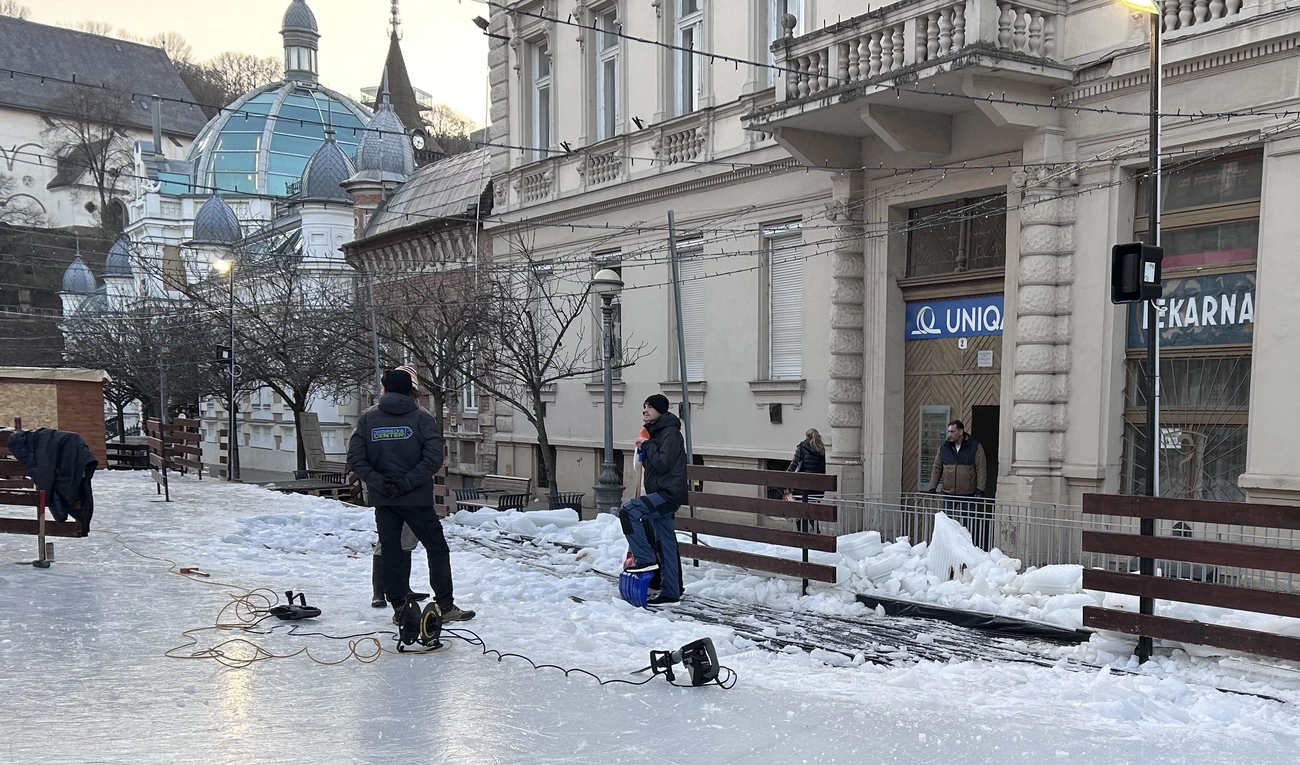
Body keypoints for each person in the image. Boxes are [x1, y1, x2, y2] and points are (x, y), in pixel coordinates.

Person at [348, 368, 474, 623]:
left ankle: (399, 608)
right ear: (411, 390)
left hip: (384, 499)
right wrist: (406, 483)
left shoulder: (368, 419)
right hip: (416, 499)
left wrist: (381, 483)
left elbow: (356, 459)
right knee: (436, 548)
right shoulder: (421, 418)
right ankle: (445, 605)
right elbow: (433, 458)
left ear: (385, 389)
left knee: (391, 551)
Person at [620, 394, 688, 605]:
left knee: (628, 512)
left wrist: (648, 445)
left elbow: (664, 464)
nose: (645, 410)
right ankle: (671, 592)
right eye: (644, 407)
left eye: (650, 407)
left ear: (660, 410)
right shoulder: (657, 432)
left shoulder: (670, 433)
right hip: (660, 493)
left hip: (666, 495)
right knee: (666, 543)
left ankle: (646, 559)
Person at [925, 419, 990, 549]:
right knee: (947, 523)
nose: (950, 434)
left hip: (968, 493)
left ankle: (968, 549)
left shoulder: (974, 446)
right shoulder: (944, 448)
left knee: (968, 524)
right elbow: (937, 468)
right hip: (949, 492)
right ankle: (946, 548)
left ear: (961, 431)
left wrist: (980, 489)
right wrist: (932, 487)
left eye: (953, 431)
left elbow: (981, 468)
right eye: (949, 431)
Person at [786, 428, 826, 533]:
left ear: (807, 436)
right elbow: (822, 470)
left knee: (800, 512)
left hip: (802, 487)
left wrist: (785, 478)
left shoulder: (802, 447)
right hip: (816, 489)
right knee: (812, 513)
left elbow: (794, 465)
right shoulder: (821, 450)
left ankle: (802, 536)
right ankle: (817, 533)